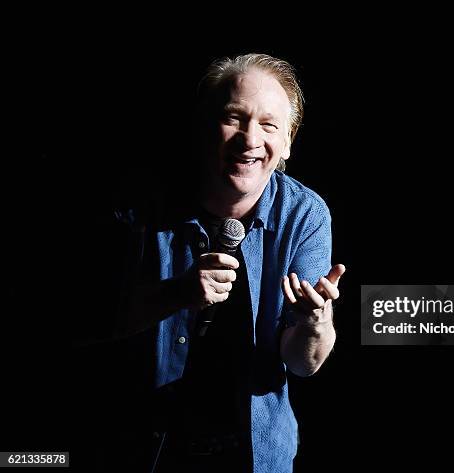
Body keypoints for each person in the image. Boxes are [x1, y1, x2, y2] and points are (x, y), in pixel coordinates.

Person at [99, 53, 345, 472]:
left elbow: (304, 363)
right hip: (140, 450)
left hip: (254, 457)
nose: (250, 139)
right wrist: (175, 294)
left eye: (269, 125)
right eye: (234, 117)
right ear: (203, 126)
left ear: (288, 141)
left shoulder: (304, 215)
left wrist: (314, 322)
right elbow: (80, 322)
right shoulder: (140, 202)